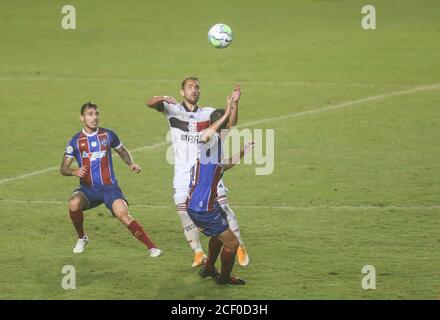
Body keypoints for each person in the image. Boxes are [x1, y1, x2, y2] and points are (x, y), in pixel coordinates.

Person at [146, 77, 249, 267]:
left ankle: (239, 245)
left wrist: (234, 104)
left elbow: (229, 123)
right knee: (183, 211)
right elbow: (149, 103)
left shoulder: (207, 113)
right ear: (182, 92)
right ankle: (198, 253)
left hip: (206, 168)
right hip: (183, 172)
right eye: (190, 87)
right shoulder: (173, 109)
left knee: (223, 207)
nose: (194, 90)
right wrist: (163, 97)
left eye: (197, 88)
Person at [60, 102, 162, 258]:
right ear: (82, 118)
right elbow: (63, 168)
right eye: (90, 114)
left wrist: (131, 164)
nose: (94, 117)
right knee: (73, 203)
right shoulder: (75, 141)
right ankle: (82, 238)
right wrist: (74, 171)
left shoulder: (108, 135)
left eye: (96, 114)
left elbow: (121, 151)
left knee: (123, 214)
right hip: (88, 189)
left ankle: (152, 247)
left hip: (109, 188)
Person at [187, 96, 246, 285]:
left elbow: (222, 167)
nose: (230, 125)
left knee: (219, 235)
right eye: (226, 122)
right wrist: (227, 112)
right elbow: (205, 135)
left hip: (204, 203)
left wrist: (234, 104)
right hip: (203, 207)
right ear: (219, 125)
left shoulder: (217, 144)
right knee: (232, 243)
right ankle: (224, 278)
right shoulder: (209, 141)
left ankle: (210, 268)